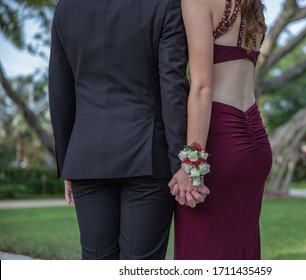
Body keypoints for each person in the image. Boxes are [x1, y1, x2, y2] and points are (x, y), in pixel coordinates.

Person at [48, 0, 208, 260]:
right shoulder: (164, 4)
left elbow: (59, 91)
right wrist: (182, 163)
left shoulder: (66, 7)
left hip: (85, 157)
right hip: (148, 157)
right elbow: (172, 87)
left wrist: (68, 162)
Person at [170, 0, 272, 260]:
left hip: (220, 142)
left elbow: (203, 88)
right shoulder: (253, 6)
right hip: (256, 140)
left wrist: (192, 167)